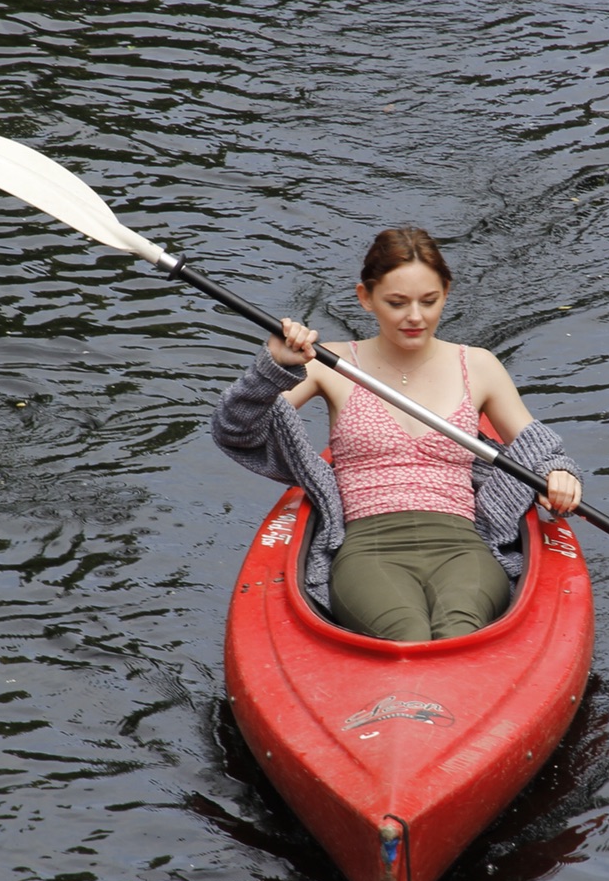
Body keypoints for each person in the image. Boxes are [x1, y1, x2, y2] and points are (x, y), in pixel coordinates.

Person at [211, 227, 583, 642]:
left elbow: (538, 447)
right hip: (369, 547)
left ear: (446, 291)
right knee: (406, 635)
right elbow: (236, 431)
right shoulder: (327, 364)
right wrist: (272, 369)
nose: (415, 317)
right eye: (396, 302)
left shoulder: (477, 366)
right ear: (365, 297)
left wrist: (558, 473)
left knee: (459, 632)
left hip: (462, 544)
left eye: (429, 301)